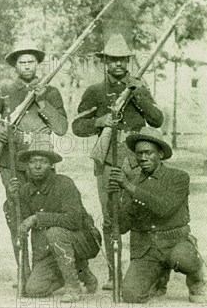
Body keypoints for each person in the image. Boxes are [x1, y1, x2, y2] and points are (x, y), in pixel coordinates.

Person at [72, 33, 164, 289]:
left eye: (122, 59)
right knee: (111, 217)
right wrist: (100, 122)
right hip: (108, 159)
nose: (118, 64)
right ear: (105, 62)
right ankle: (114, 275)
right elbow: (77, 126)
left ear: (128, 61)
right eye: (113, 60)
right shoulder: (95, 91)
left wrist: (137, 94)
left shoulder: (139, 88)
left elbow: (157, 120)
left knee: (142, 213)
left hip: (137, 159)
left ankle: (143, 274)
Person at [0, 44, 67, 282]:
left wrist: (42, 103)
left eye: (31, 62)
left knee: (42, 213)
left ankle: (41, 269)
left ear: (38, 65)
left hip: (42, 162)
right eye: (22, 62)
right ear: (15, 66)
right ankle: (22, 268)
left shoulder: (51, 91)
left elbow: (61, 128)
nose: (27, 66)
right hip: (12, 162)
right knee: (16, 211)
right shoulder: (4, 91)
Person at [108, 127, 207, 304]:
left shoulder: (178, 177)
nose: (143, 158)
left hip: (174, 243)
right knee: (131, 295)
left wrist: (128, 187)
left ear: (160, 154)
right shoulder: (131, 180)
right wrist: (112, 198)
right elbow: (122, 226)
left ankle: (197, 280)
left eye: (148, 153)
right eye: (139, 153)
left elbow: (164, 208)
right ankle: (160, 277)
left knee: (183, 258)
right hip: (147, 250)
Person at [10, 140, 100, 302]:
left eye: (43, 162)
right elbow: (21, 223)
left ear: (51, 165)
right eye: (33, 162)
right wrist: (13, 199)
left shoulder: (64, 183)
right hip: (48, 251)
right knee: (34, 290)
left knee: (54, 232)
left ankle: (73, 286)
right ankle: (81, 271)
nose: (37, 166)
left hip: (82, 241)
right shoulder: (25, 190)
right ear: (27, 166)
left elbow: (74, 220)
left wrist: (38, 218)